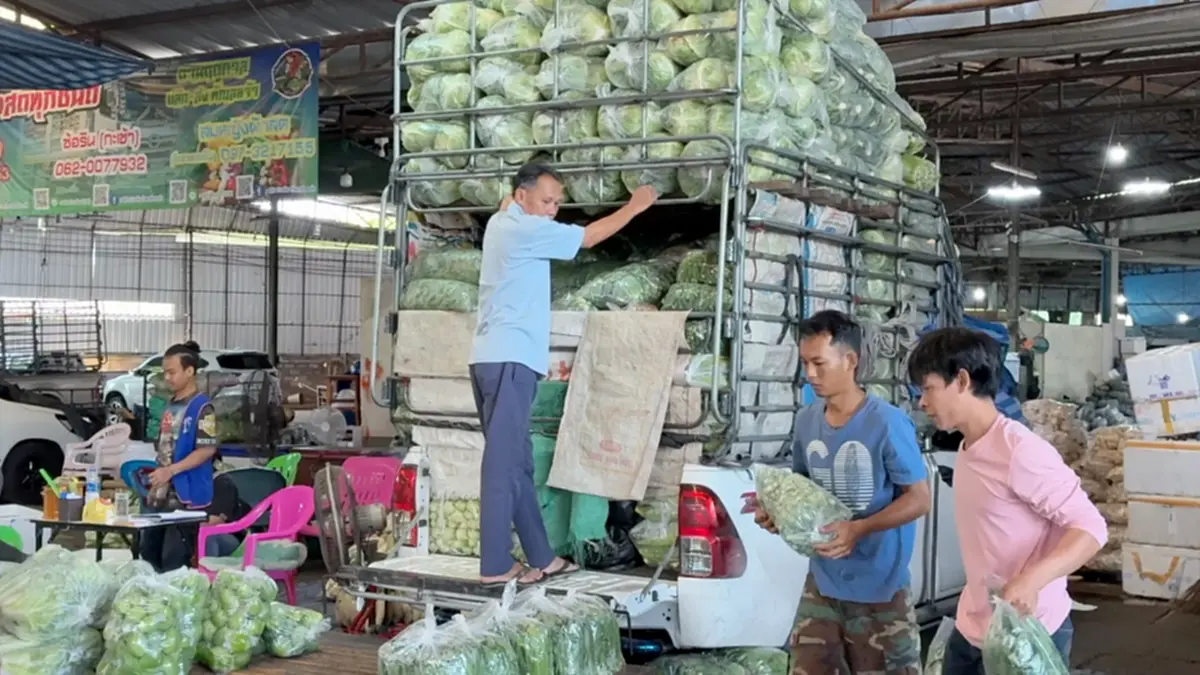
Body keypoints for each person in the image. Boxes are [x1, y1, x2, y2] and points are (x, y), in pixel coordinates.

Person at [470, 163, 658, 586]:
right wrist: (635, 206)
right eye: (546, 200)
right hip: (509, 360)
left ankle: (542, 557)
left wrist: (525, 201)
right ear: (522, 197)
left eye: (558, 202)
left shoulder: (506, 221)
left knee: (518, 465)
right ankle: (495, 564)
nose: (553, 209)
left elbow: (510, 202)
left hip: (499, 358)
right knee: (502, 466)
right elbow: (589, 237)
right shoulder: (524, 229)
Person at [907, 327, 1108, 674]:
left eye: (928, 389)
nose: (922, 402)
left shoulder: (1020, 451)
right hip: (974, 624)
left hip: (1028, 632)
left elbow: (1091, 528)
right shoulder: (967, 446)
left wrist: (1031, 581)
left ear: (962, 380)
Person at [754, 310, 931, 674]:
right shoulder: (806, 421)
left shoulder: (887, 422)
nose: (810, 374)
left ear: (851, 360)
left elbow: (919, 498)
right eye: (805, 363)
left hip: (881, 590)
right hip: (822, 584)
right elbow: (802, 492)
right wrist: (774, 514)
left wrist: (859, 529)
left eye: (819, 363)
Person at [140, 341, 221, 571]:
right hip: (160, 496)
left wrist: (171, 471)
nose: (167, 378)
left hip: (186, 497)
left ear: (190, 371)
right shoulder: (170, 405)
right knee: (148, 558)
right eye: (165, 372)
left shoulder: (203, 408)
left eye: (172, 372)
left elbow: (206, 450)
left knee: (173, 563)